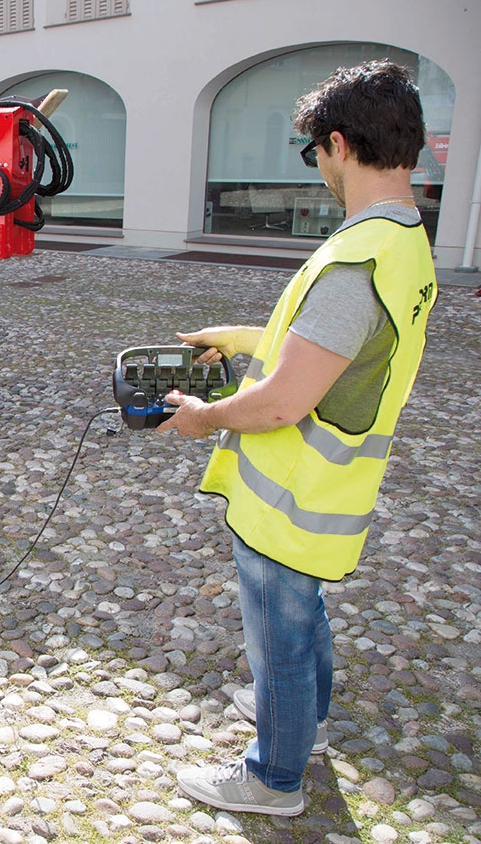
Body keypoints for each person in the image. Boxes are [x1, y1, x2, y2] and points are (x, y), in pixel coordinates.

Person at [159, 60, 437, 816]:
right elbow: (326, 353)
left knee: (278, 634)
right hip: (331, 492)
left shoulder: (354, 259)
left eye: (314, 152)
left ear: (338, 145)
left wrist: (202, 416)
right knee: (301, 613)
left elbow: (283, 402)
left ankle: (273, 778)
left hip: (293, 496)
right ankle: (302, 720)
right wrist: (239, 337)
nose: (317, 168)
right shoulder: (406, 243)